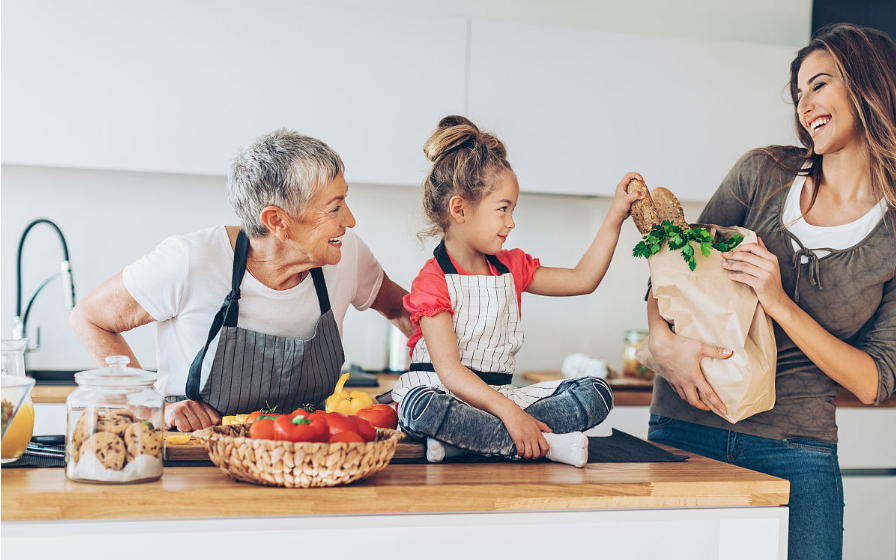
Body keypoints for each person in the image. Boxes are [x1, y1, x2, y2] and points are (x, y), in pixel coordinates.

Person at [644, 24, 896, 560]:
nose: (804, 104)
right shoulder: (763, 173)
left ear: (868, 87)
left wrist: (778, 301)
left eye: (820, 85)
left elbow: (876, 381)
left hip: (796, 449)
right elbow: (672, 268)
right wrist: (659, 343)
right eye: (799, 92)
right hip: (686, 427)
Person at [71, 129, 413, 432]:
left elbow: (403, 310)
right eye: (335, 207)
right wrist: (151, 406)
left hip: (307, 454)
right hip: (198, 456)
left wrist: (446, 374)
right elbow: (89, 317)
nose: (350, 220)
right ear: (277, 220)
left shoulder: (346, 254)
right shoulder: (193, 259)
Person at [390, 115, 644, 467]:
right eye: (503, 209)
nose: (511, 222)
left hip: (501, 397)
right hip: (445, 393)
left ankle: (465, 444)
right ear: (460, 209)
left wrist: (616, 214)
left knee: (596, 392)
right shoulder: (433, 281)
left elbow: (583, 279)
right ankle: (546, 445)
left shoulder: (511, 266)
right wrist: (510, 414)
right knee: (419, 408)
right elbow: (449, 372)